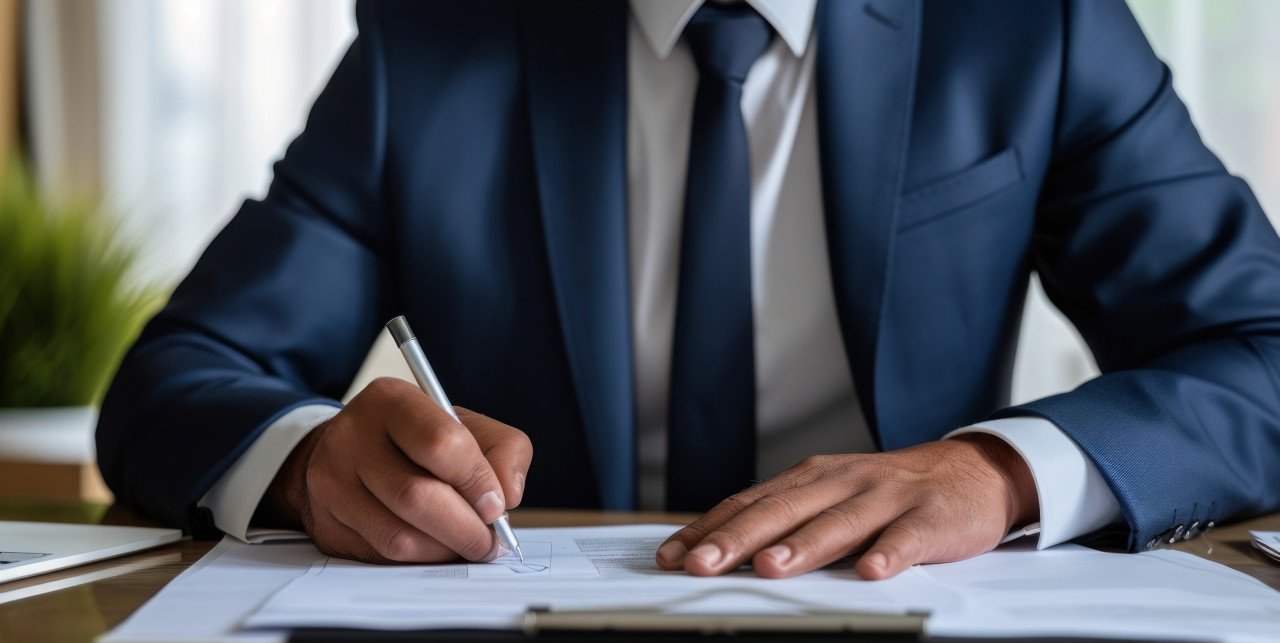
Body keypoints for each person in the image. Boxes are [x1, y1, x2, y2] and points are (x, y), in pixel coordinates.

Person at [97, 0, 1280, 579]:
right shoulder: (436, 39)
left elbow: (1261, 350)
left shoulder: (1029, 26)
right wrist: (309, 464)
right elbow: (175, 380)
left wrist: (1000, 470)